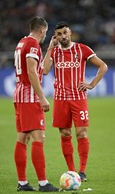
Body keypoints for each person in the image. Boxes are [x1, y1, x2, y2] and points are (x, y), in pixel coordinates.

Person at [43, 21, 108, 182]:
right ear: (55, 36)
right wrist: (50, 47)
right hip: (60, 99)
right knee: (65, 133)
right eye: (59, 34)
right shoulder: (54, 52)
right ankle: (72, 171)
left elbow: (103, 66)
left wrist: (92, 84)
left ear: (70, 32)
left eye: (65, 32)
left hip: (79, 99)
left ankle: (82, 170)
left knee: (81, 133)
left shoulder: (82, 49)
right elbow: (44, 71)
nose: (63, 36)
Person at [13, 16, 59, 192]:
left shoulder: (22, 42)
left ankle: (23, 183)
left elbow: (44, 70)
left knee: (22, 139)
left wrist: (49, 50)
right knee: (39, 138)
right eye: (46, 32)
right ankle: (43, 183)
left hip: (20, 95)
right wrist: (41, 97)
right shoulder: (32, 45)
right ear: (43, 30)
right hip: (30, 96)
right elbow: (32, 72)